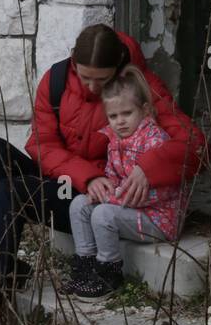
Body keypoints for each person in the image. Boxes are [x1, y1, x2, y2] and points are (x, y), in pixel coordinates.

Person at [0, 23, 205, 325]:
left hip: (93, 199)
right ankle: (1, 266)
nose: (90, 86)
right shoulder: (57, 80)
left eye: (100, 80)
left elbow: (195, 145)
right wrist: (83, 174)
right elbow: (40, 144)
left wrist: (148, 168)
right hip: (68, 180)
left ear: (117, 69)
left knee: (11, 192)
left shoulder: (137, 86)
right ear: (74, 61)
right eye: (84, 75)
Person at [66, 65, 186, 298]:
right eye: (113, 116)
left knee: (103, 214)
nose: (120, 122)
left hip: (159, 218)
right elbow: (113, 175)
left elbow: (157, 193)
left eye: (127, 114)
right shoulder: (115, 141)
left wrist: (110, 199)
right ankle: (86, 267)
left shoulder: (155, 141)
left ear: (145, 110)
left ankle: (108, 274)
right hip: (130, 210)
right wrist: (102, 188)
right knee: (79, 204)